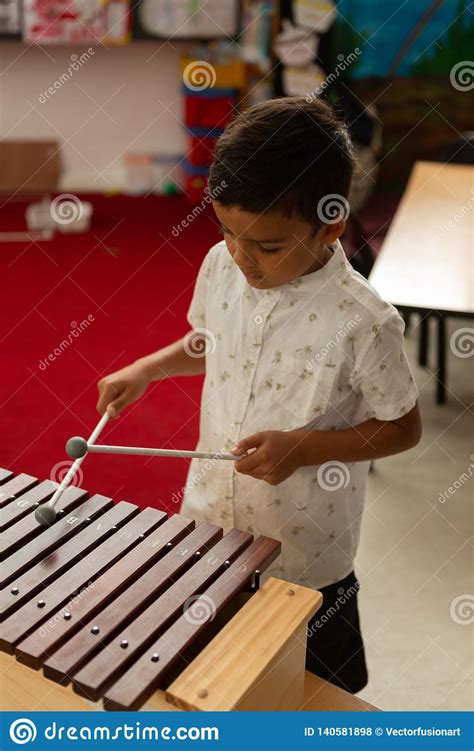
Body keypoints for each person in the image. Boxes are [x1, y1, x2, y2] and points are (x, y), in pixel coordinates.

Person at [96, 96, 422, 695]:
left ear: (332, 223)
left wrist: (304, 447)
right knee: (209, 686)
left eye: (268, 247)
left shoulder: (366, 321)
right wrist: (148, 367)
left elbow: (403, 428)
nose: (243, 258)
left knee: (313, 698)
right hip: (210, 531)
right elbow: (207, 341)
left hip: (306, 559)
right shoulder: (222, 263)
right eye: (227, 232)